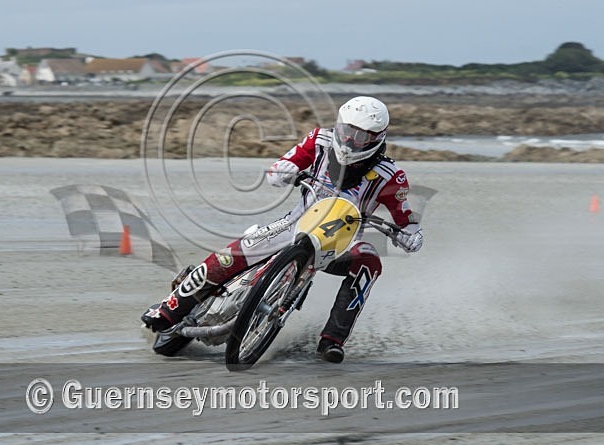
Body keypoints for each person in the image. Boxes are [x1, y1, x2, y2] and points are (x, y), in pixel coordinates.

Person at [141, 96, 423, 363]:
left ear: (377, 139)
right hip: (294, 225)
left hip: (341, 243)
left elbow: (405, 216)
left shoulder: (391, 176)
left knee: (370, 262)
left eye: (359, 136)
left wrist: (410, 234)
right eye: (346, 130)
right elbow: (283, 164)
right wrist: (285, 171)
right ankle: (168, 309)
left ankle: (332, 341)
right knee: (234, 252)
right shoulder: (319, 140)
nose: (350, 139)